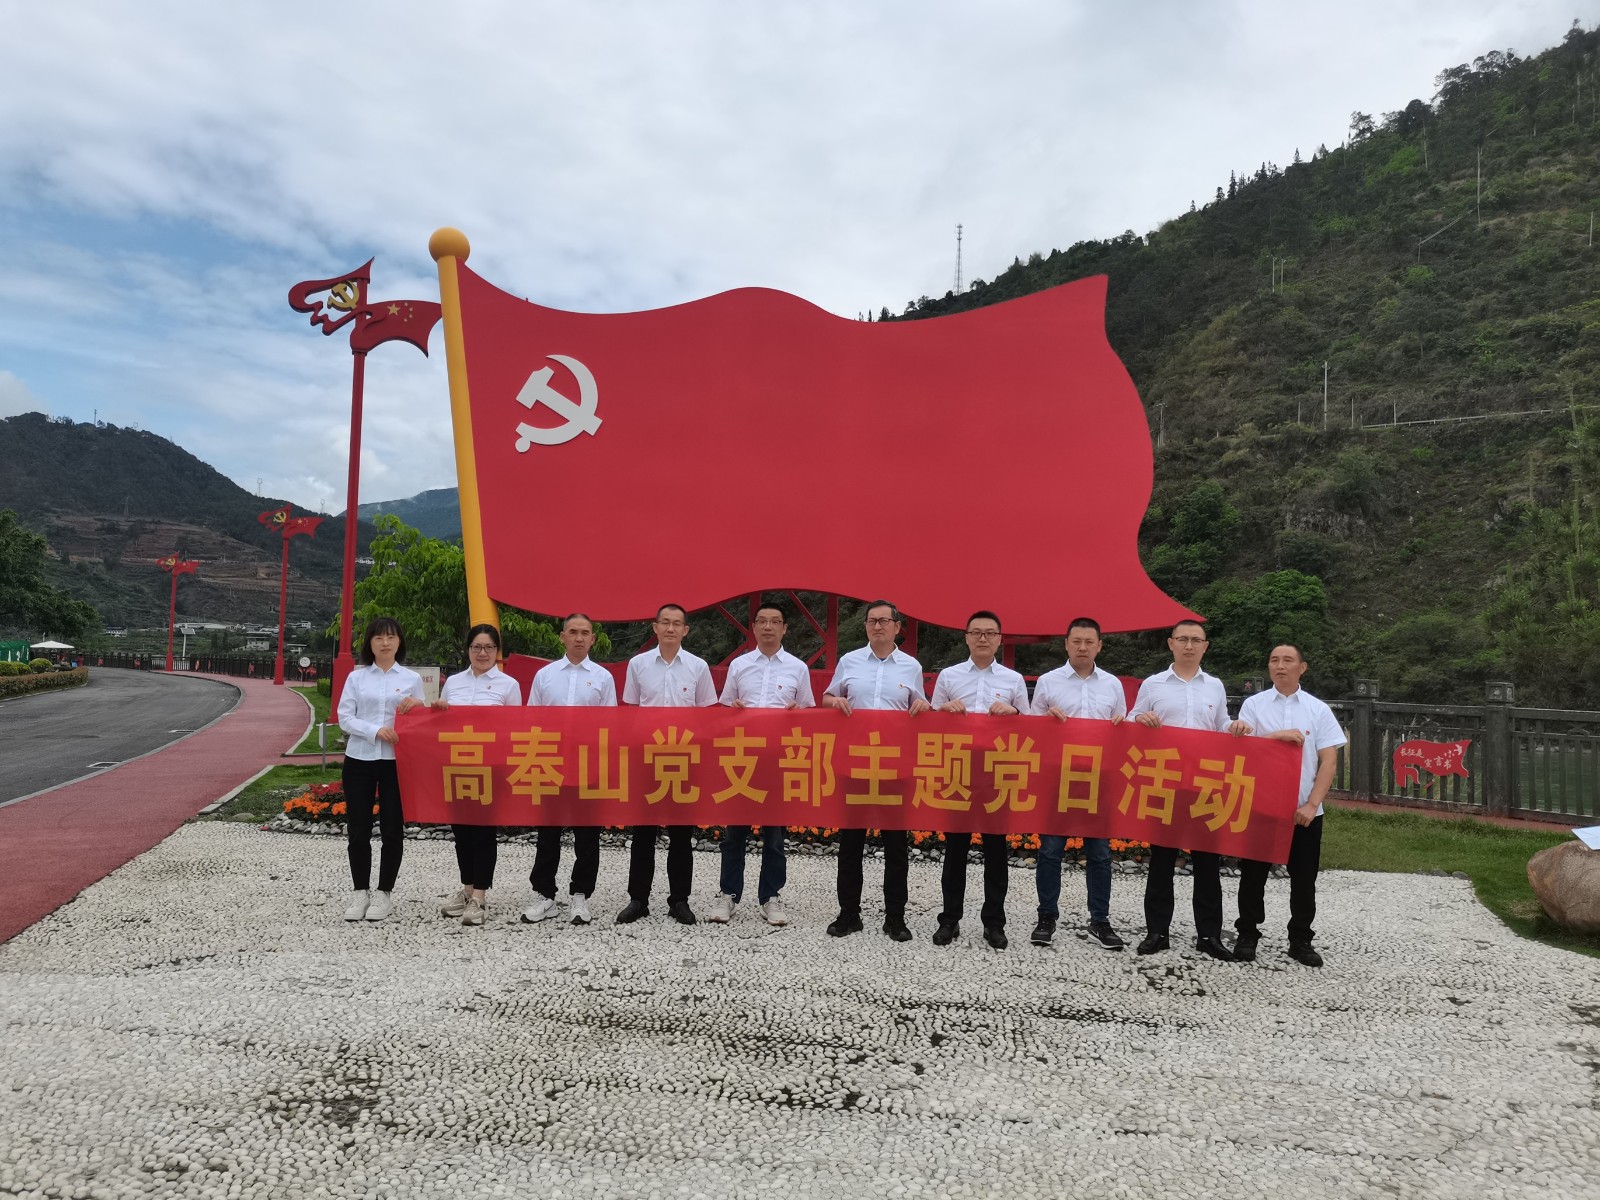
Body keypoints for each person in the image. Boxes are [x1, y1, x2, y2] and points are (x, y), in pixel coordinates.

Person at [1130, 619, 1244, 961]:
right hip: (1166, 782)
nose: (1189, 645)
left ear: (1205, 646)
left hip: (1205, 784)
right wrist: (1140, 719)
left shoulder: (1215, 686)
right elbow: (1133, 717)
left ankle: (1208, 935)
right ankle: (1157, 932)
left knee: (1207, 863)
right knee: (1162, 861)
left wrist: (1234, 726)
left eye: (1196, 640)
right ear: (1171, 643)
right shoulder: (1153, 684)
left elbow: (1220, 723)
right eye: (1183, 639)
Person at [821, 600, 931, 941]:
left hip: (894, 768)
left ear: (897, 626)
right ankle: (848, 914)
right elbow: (826, 698)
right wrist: (835, 701)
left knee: (895, 845)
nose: (878, 626)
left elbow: (921, 707)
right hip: (855, 764)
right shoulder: (849, 661)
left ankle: (895, 917)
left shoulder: (911, 666)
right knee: (850, 844)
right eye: (872, 621)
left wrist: (923, 705)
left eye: (884, 621)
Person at [1233, 644, 1346, 968]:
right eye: (1274, 660)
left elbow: (1328, 761)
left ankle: (1300, 939)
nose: (1280, 666)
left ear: (1302, 667)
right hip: (1260, 807)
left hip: (1304, 811)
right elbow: (1243, 750)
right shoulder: (1253, 705)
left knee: (1304, 879)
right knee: (1252, 876)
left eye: (1287, 660)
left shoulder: (1317, 709)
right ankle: (1248, 933)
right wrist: (1277, 736)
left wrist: (1312, 804)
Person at [710, 602, 815, 927]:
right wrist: (734, 709)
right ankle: (728, 894)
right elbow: (724, 710)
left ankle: (770, 897)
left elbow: (809, 714)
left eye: (775, 622)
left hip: (779, 761)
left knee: (775, 837)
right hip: (742, 760)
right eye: (762, 621)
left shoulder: (798, 668)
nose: (768, 627)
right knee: (734, 834)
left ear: (784, 628)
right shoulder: (739, 666)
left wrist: (798, 714)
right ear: (753, 627)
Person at [929, 610, 1028, 950]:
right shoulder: (949, 676)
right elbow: (932, 719)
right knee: (955, 849)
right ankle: (949, 919)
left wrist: (1014, 712)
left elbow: (1030, 725)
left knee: (995, 851)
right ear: (966, 637)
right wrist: (944, 710)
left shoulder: (1013, 680)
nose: (983, 638)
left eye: (990, 633)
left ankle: (994, 923)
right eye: (976, 632)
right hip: (959, 769)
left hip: (997, 772)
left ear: (1000, 639)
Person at [1028, 616, 1127, 951]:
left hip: (1099, 778)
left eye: (1089, 642)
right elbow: (1032, 729)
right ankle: (1046, 916)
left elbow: (1123, 728)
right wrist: (1045, 720)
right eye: (1076, 641)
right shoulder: (1048, 682)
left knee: (1099, 852)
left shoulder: (1112, 685)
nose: (1082, 647)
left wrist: (1121, 723)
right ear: (1066, 644)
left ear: (1099, 646)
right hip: (1058, 776)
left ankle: (1100, 920)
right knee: (1050, 850)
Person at [617, 603, 716, 925]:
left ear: (685, 630)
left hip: (684, 758)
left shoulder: (698, 666)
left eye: (677, 624)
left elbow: (707, 715)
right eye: (665, 622)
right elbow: (631, 711)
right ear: (655, 627)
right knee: (643, 832)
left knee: (681, 834)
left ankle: (679, 900)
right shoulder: (638, 664)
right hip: (647, 758)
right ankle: (638, 899)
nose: (670, 628)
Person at [526, 613, 617, 926]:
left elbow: (610, 725)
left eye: (585, 633)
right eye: (573, 632)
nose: (579, 638)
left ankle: (580, 895)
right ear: (562, 636)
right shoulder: (545, 676)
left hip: (587, 763)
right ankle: (545, 894)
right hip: (550, 761)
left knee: (587, 834)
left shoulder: (603, 678)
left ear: (593, 639)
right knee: (547, 833)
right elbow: (532, 720)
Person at [335, 616, 425, 923]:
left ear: (399, 642)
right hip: (359, 759)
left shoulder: (412, 679)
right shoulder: (357, 678)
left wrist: (418, 706)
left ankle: (384, 892)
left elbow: (420, 720)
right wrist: (376, 731)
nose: (385, 643)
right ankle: (360, 891)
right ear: (369, 643)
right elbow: (345, 718)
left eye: (391, 637)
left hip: (396, 763)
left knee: (392, 829)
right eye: (378, 638)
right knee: (358, 829)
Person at [432, 623, 523, 927]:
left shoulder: (508, 685)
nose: (482, 653)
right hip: (458, 766)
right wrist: (438, 710)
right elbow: (442, 724)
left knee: (483, 832)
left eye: (488, 647)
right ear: (468, 650)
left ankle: (481, 897)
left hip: (490, 767)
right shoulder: (454, 682)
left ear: (497, 651)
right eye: (476, 647)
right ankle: (468, 889)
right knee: (461, 832)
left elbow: (515, 729)